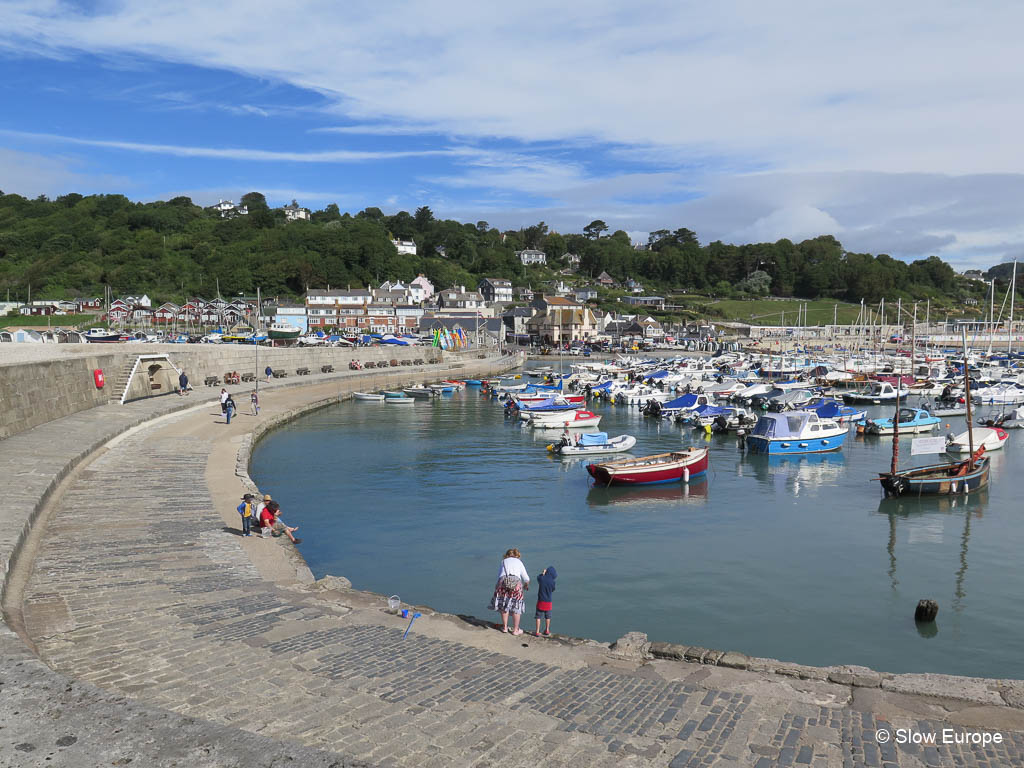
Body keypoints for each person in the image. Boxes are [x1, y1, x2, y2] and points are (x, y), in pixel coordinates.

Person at [488, 548, 530, 635]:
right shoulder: (519, 562)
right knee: (516, 607)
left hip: (503, 582)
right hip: (516, 584)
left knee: (504, 605)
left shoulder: (503, 561)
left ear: (507, 555)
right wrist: (526, 585)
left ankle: (505, 627)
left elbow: (500, 575)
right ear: (517, 555)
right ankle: (515, 630)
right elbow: (526, 578)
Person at [534, 566, 557, 637]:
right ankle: (547, 630)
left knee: (538, 617)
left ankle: (537, 631)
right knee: (548, 617)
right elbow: (553, 589)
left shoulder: (542, 579)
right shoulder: (553, 582)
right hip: (548, 602)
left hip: (540, 601)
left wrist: (543, 574)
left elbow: (538, 578)